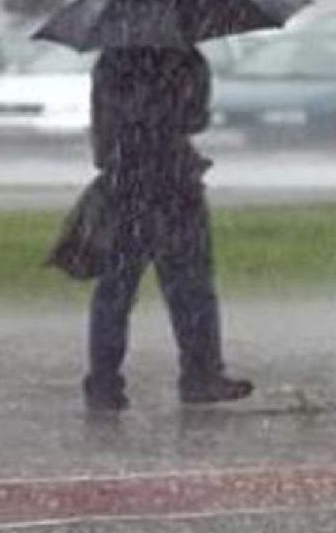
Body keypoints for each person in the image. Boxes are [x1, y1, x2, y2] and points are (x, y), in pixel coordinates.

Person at [81, 45, 253, 413]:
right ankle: (200, 375)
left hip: (123, 183)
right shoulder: (186, 59)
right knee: (190, 286)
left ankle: (103, 384)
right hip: (174, 184)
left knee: (115, 290)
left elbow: (101, 124)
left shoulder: (110, 60)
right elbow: (196, 120)